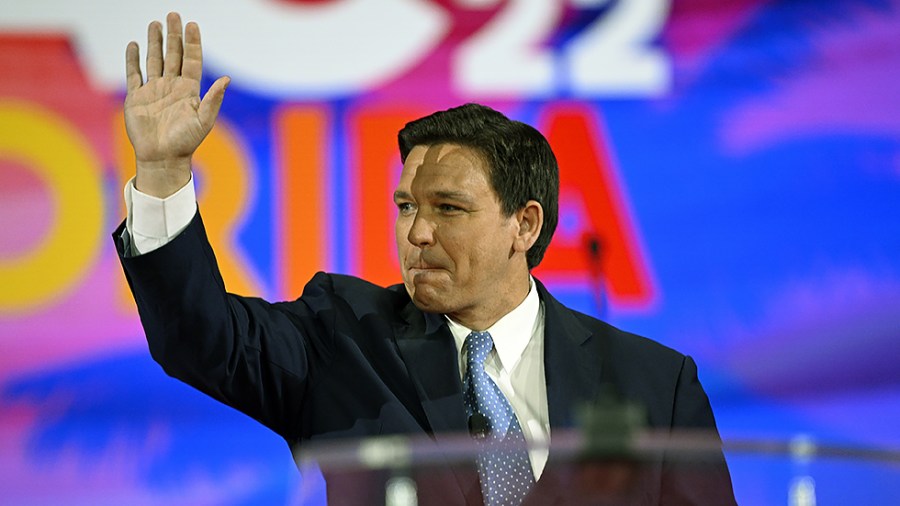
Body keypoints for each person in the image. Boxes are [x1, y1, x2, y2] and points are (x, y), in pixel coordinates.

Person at [114, 12, 736, 505]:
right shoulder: (343, 338)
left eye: (448, 209)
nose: (416, 233)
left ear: (524, 224)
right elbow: (200, 340)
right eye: (406, 206)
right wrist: (164, 174)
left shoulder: (655, 384)